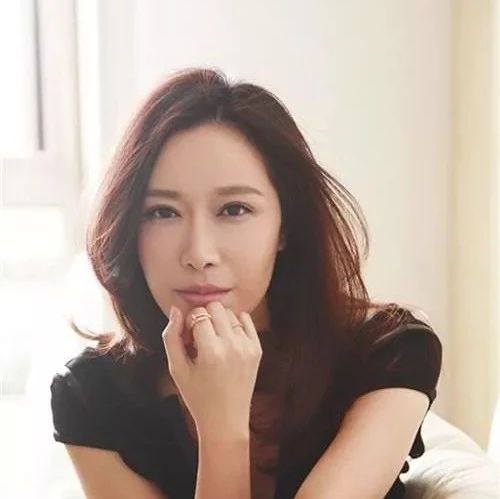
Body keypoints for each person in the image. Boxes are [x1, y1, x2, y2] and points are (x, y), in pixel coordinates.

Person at [50, 67, 443, 499]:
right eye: (162, 212)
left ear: (285, 226)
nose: (199, 253)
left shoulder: (388, 353)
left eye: (234, 209)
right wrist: (222, 431)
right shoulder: (91, 396)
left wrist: (224, 423)